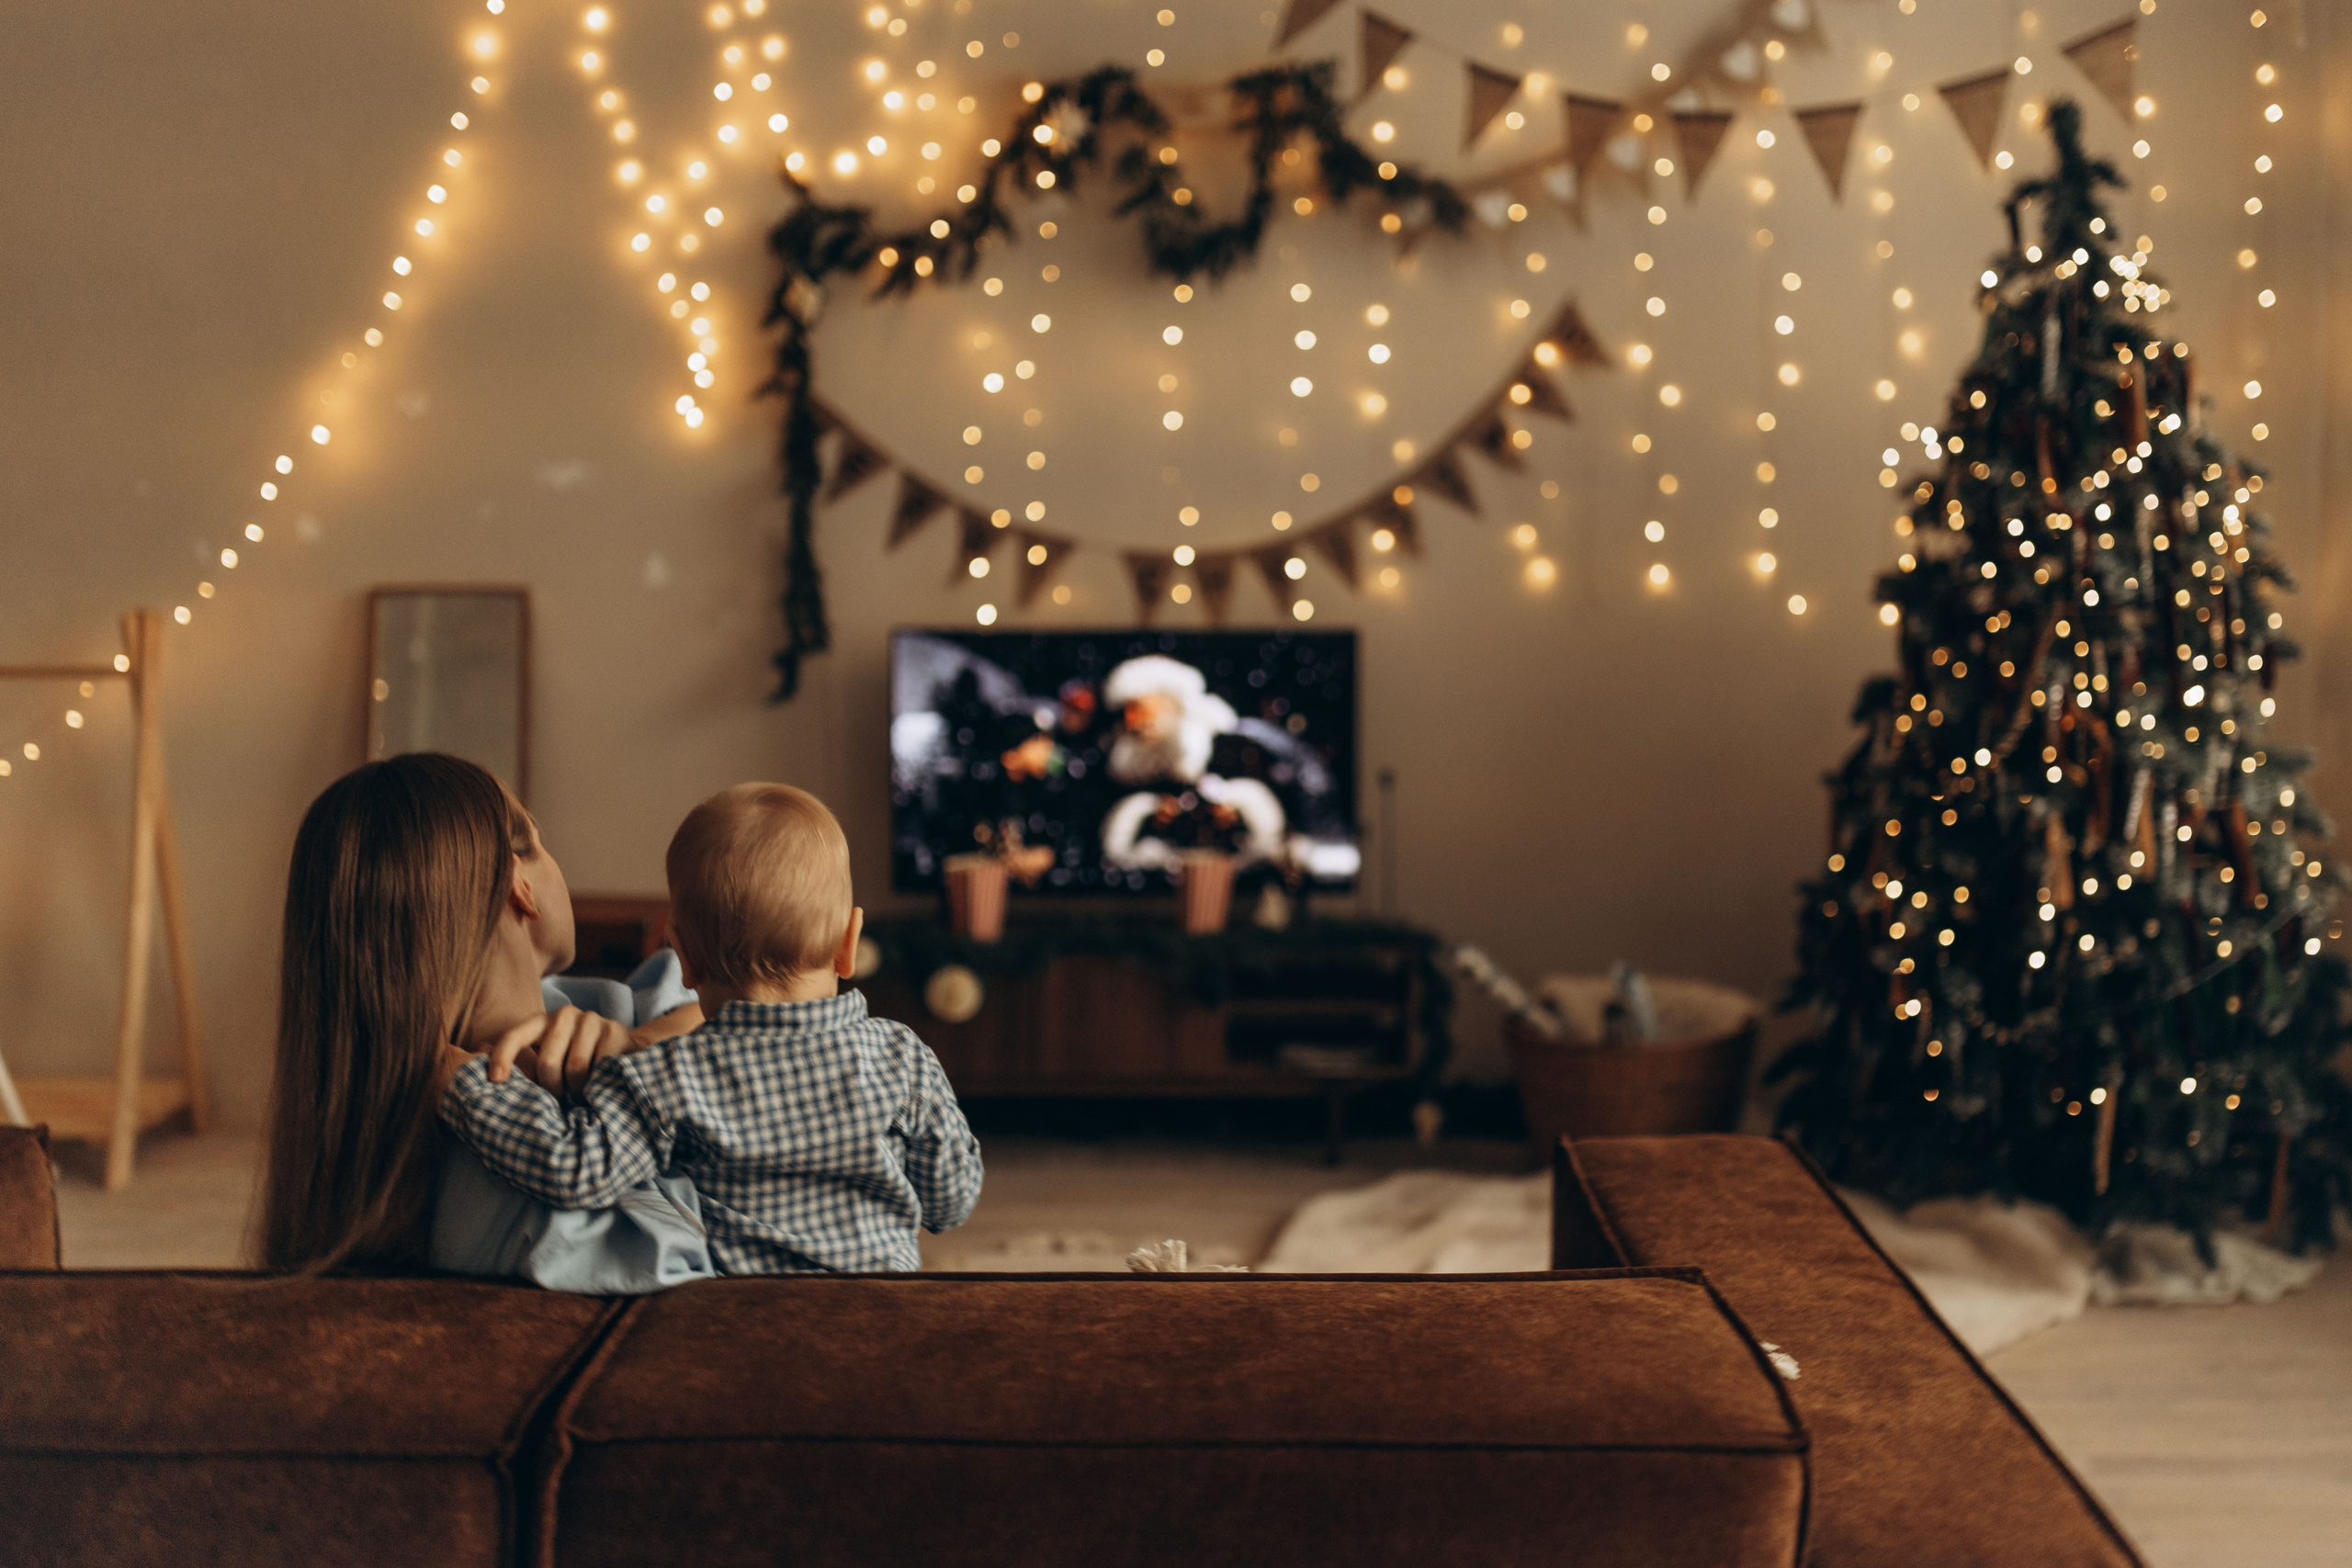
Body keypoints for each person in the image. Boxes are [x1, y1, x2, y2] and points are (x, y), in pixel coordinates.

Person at [440, 782, 984, 1274]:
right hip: (885, 1316)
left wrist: (465, 1083)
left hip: (740, 1329)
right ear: (849, 944)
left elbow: (573, 1167)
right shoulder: (903, 1058)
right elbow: (950, 1201)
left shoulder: (666, 1077)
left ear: (686, 958)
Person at [257, 753, 713, 1292]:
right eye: (539, 843)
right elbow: (692, 1257)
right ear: (519, 884)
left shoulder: (585, 1007)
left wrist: (643, 1041)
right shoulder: (514, 1203)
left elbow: (719, 1006)